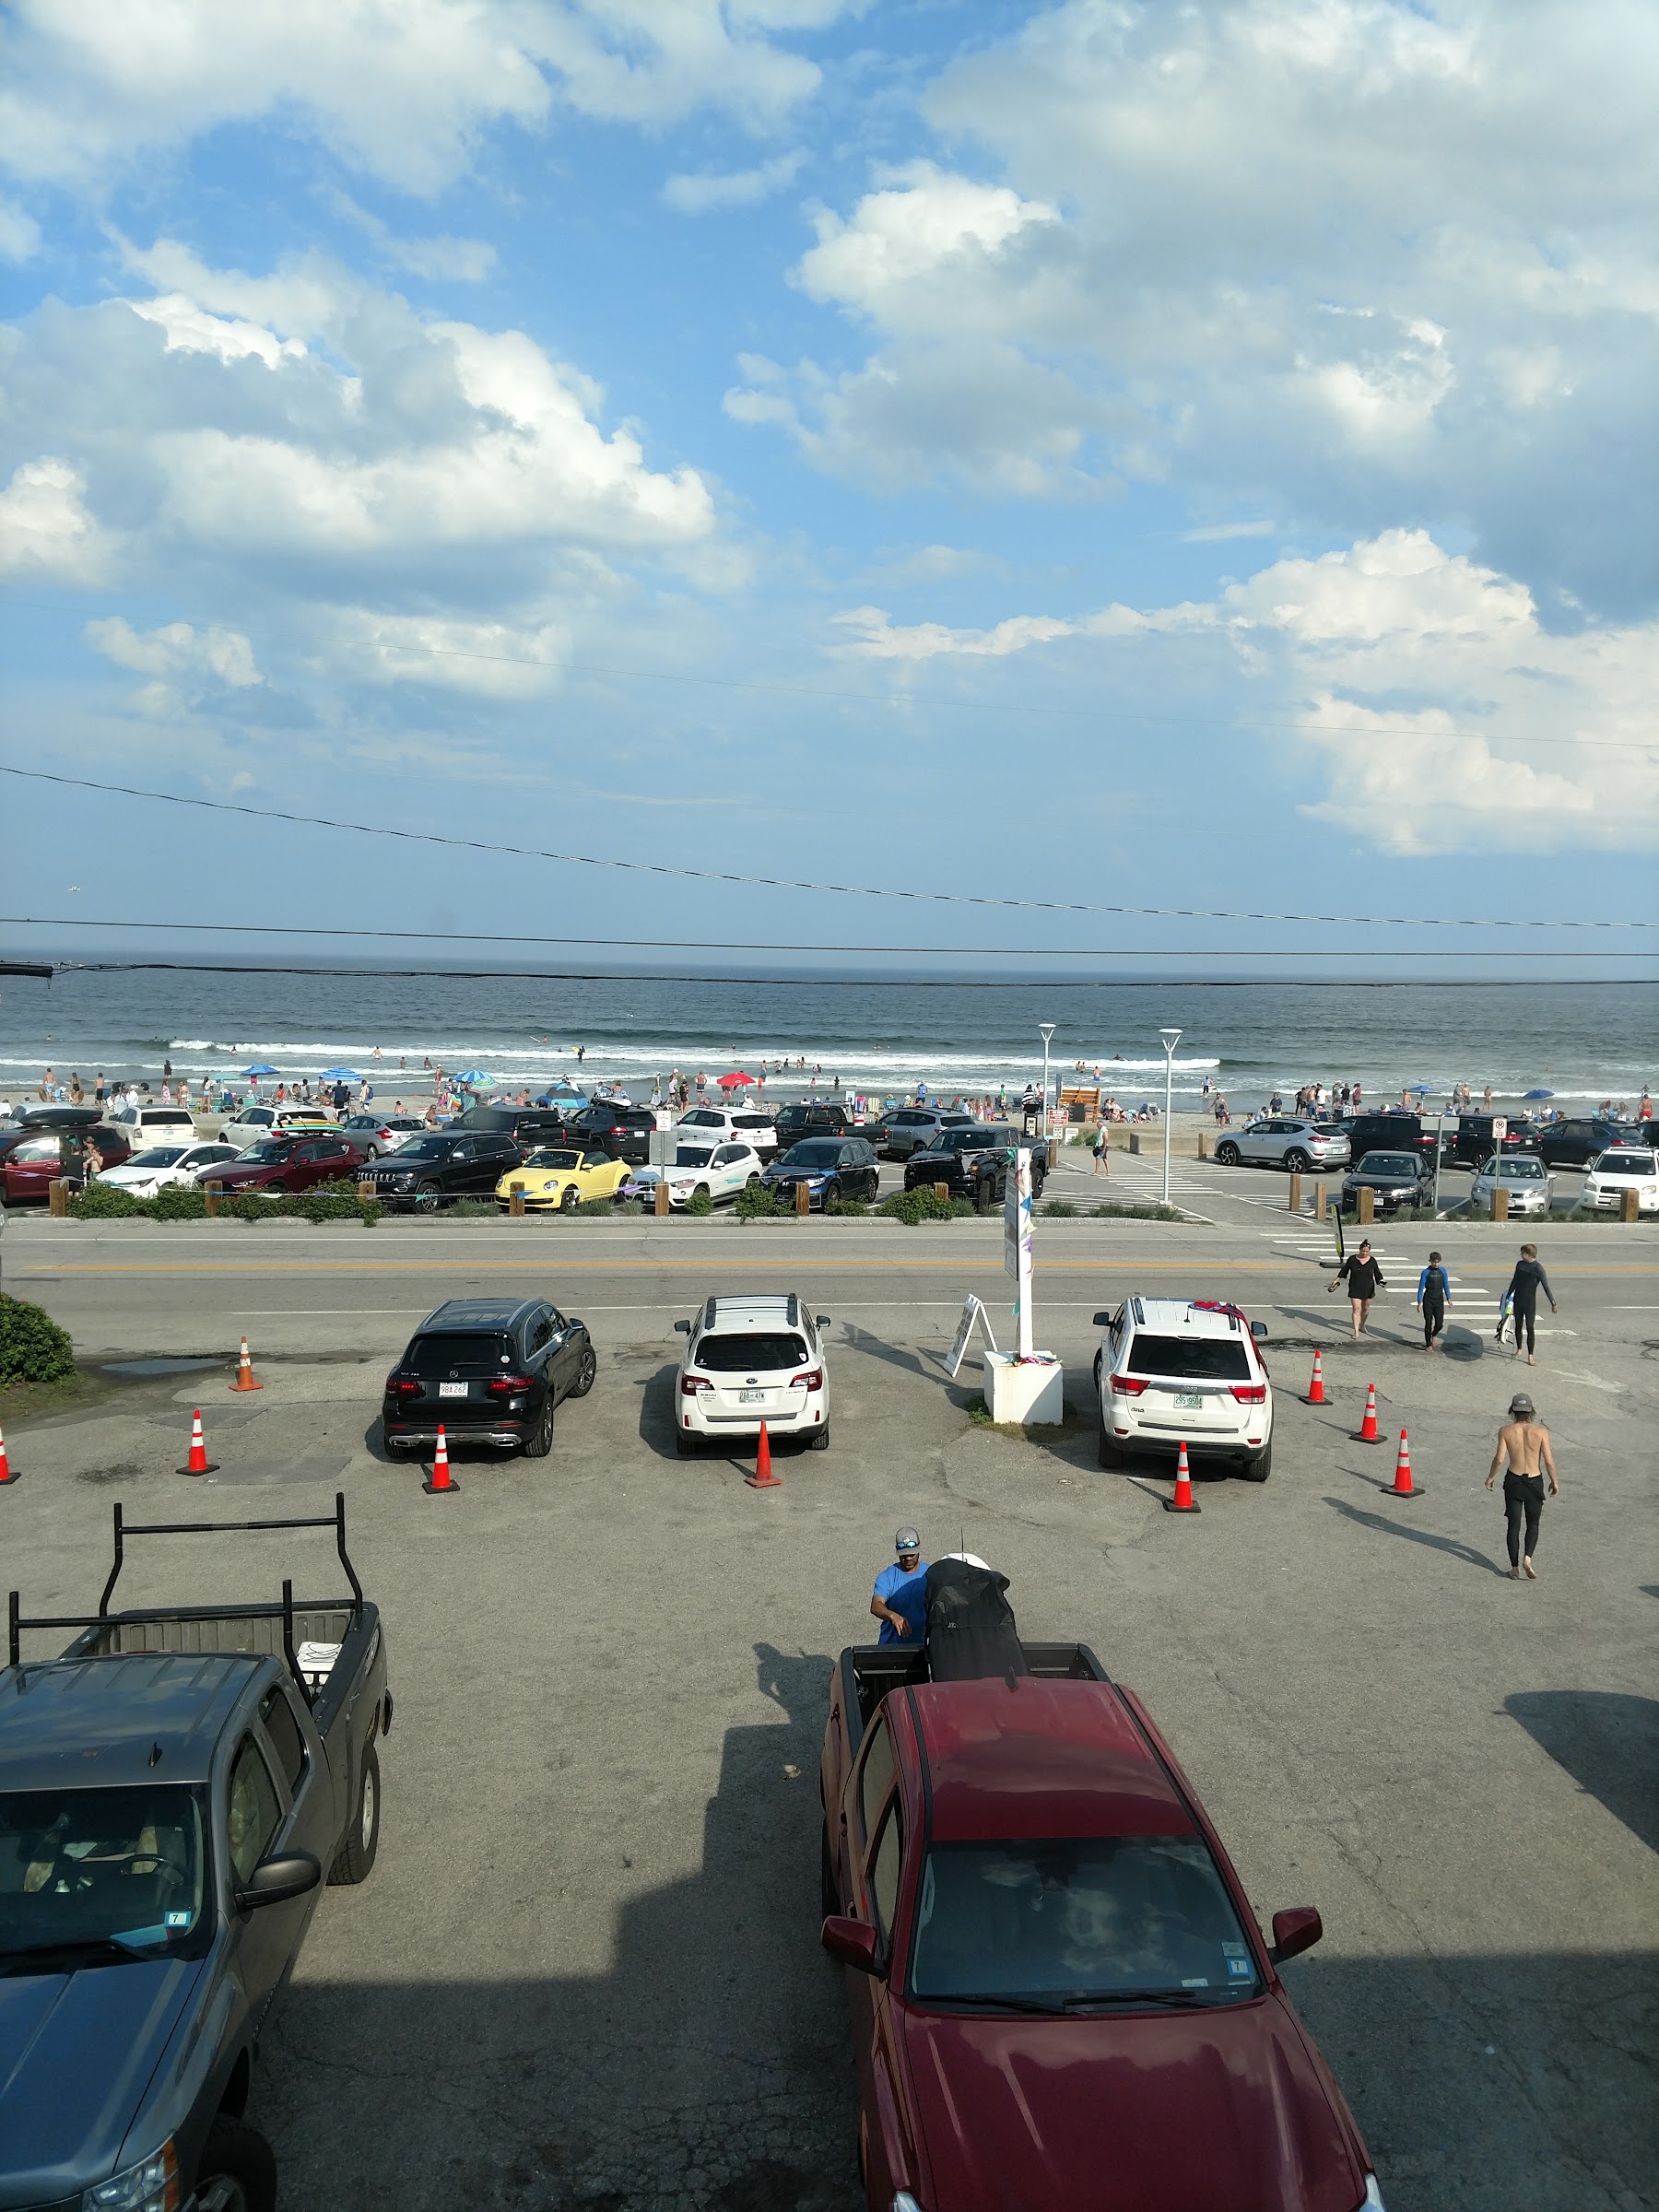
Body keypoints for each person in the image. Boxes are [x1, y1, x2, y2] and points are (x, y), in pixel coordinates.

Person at [1486, 1393, 1559, 1581]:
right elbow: (1549, 1461)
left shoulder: (1505, 1431)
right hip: (1534, 1480)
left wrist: (1491, 1477)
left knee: (1513, 1525)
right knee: (1533, 1523)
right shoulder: (1541, 1432)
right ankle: (1528, 1558)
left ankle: (1514, 1568)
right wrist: (1554, 1481)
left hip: (1514, 1480)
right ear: (1531, 1410)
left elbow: (1499, 1459)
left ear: (1513, 1410)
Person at [1500, 1243, 1558, 1365]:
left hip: (1529, 1302)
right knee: (1518, 1325)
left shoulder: (1538, 1269)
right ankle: (1519, 1349)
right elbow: (1515, 1281)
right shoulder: (1520, 1265)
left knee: (1530, 1327)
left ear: (1529, 1254)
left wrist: (1553, 1303)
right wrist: (1508, 1295)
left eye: (1523, 1253)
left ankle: (1531, 1355)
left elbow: (1546, 1286)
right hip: (1518, 1300)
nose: (1521, 1255)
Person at [870, 1528, 929, 1643]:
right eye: (904, 1555)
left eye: (911, 1554)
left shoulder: (930, 1574)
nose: (908, 1558)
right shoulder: (887, 1577)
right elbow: (876, 1605)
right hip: (891, 1645)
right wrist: (892, 1615)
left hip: (922, 1645)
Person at [1329, 1238, 1384, 1338]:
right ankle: (1356, 1331)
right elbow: (1345, 1270)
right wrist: (1337, 1279)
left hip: (1368, 1287)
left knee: (1365, 1309)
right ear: (1359, 1250)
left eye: (1367, 1251)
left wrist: (1380, 1281)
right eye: (1363, 1251)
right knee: (1356, 1308)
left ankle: (1362, 1325)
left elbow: (1377, 1273)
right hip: (1355, 1286)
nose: (1364, 1253)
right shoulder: (1352, 1259)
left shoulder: (1372, 1260)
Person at [1416, 1250, 1452, 1350]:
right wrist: (1419, 1302)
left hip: (1439, 1300)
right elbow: (1421, 1287)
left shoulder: (1443, 1271)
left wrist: (1449, 1298)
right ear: (1430, 1261)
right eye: (1434, 1262)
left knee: (1439, 1323)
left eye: (1438, 1262)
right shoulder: (1426, 1272)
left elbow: (1446, 1285)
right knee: (1428, 1322)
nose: (1436, 1264)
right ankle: (1428, 1344)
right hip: (1428, 1300)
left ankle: (1434, 1334)